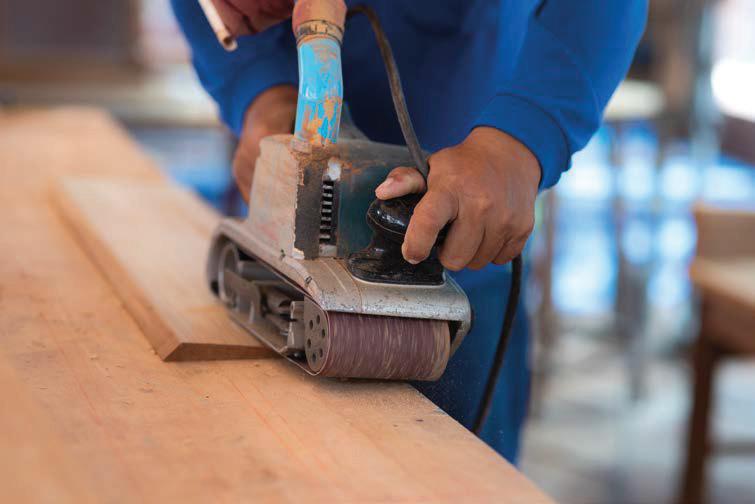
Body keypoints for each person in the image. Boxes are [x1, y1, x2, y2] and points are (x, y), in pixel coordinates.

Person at [171, 0, 647, 463]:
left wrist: (519, 139)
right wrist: (260, 90)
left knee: (460, 474)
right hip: (289, 259)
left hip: (463, 235)